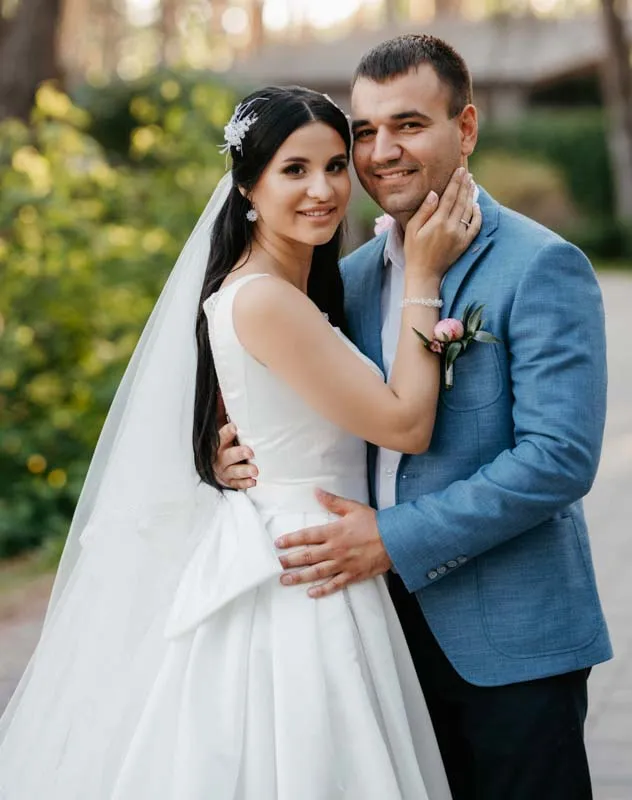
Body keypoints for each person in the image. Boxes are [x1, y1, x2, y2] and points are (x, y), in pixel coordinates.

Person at [0, 85, 481, 798]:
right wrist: (423, 275)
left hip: (312, 545)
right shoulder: (263, 298)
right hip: (305, 571)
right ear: (248, 184)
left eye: (334, 166)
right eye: (294, 170)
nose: (323, 190)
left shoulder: (282, 290)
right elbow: (406, 424)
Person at [216, 36, 613, 800]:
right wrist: (229, 447)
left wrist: (394, 540)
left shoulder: (540, 265)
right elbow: (302, 397)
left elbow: (559, 457)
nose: (381, 151)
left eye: (409, 124)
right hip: (373, 640)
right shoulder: (347, 278)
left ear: (465, 128)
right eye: (364, 132)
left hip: (510, 641)